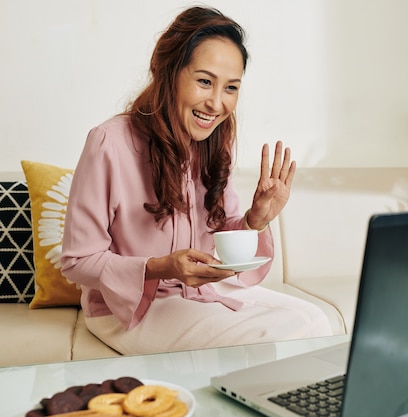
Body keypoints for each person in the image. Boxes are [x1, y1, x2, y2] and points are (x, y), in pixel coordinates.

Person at [60, 6, 333, 355]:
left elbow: (223, 230)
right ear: (169, 71)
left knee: (315, 320)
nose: (216, 103)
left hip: (200, 292)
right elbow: (77, 260)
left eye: (231, 87)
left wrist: (255, 219)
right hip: (129, 309)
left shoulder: (216, 143)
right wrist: (162, 267)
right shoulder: (109, 142)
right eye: (204, 81)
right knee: (284, 335)